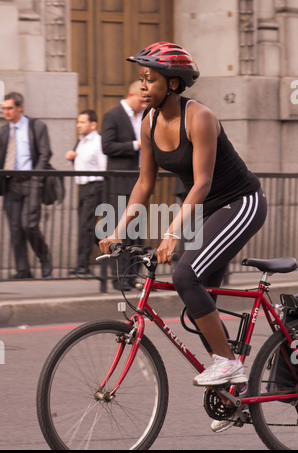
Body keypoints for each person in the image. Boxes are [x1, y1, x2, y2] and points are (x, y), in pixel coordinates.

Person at [99, 42, 267, 395]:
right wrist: (117, 230)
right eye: (141, 79)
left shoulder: (200, 117)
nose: (143, 86)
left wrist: (173, 231)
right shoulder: (149, 122)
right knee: (197, 303)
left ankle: (228, 364)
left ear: (173, 84)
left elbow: (202, 182)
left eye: (150, 79)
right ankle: (233, 392)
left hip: (241, 203)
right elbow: (144, 184)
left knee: (184, 274)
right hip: (207, 208)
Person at [0, 92, 52, 279]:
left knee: (29, 225)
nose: (5, 111)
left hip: (31, 181)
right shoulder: (4, 131)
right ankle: (23, 270)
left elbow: (45, 154)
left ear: (20, 108)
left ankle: (44, 257)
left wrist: (37, 178)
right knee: (15, 228)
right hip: (11, 184)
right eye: (4, 108)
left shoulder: (36, 126)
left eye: (9, 108)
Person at [101, 81, 146, 290]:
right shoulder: (113, 115)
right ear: (131, 95)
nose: (145, 104)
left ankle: (135, 277)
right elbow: (107, 146)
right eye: (141, 100)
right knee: (120, 232)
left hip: (139, 182)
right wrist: (135, 145)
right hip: (119, 184)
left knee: (137, 232)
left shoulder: (145, 117)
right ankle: (119, 278)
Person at [65, 110, 107, 276]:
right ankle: (113, 253)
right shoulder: (81, 142)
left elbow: (104, 167)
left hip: (94, 187)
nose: (78, 125)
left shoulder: (98, 142)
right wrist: (72, 160)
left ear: (93, 124)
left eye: (82, 122)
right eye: (78, 122)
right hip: (82, 188)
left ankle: (83, 266)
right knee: (89, 229)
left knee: (86, 227)